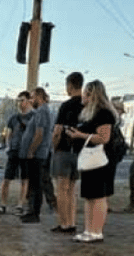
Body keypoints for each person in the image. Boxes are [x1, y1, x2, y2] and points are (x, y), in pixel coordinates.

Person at [67, 79, 120, 243]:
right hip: (90, 160)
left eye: (85, 93)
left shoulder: (103, 113)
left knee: (98, 196)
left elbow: (104, 137)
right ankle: (89, 230)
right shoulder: (90, 113)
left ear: (92, 95)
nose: (82, 96)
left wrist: (79, 135)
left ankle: (96, 232)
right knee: (90, 196)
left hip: (100, 160)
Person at [50, 72, 84, 234]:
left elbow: (57, 131)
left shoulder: (66, 106)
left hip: (64, 150)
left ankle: (64, 224)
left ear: (70, 85)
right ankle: (72, 222)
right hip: (81, 152)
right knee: (72, 189)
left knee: (61, 189)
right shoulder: (88, 105)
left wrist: (54, 146)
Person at [19, 87, 56, 223]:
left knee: (36, 184)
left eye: (32, 97)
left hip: (38, 154)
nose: (30, 100)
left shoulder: (42, 111)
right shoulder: (40, 111)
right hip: (37, 153)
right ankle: (31, 211)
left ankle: (34, 213)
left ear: (40, 97)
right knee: (33, 184)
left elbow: (39, 134)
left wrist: (31, 150)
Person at [0, 91, 31, 213]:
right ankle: (3, 204)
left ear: (28, 101)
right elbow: (8, 133)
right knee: (6, 179)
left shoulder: (33, 117)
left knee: (25, 179)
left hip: (26, 153)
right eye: (18, 100)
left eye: (22, 100)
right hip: (14, 151)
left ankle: (20, 205)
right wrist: (8, 147)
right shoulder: (13, 118)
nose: (20, 103)